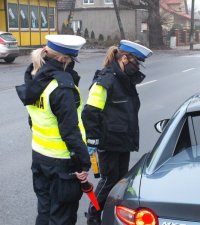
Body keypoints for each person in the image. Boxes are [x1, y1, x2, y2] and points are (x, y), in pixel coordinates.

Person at [15, 34, 91, 225]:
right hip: (62, 164)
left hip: (40, 157)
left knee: (45, 212)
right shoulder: (61, 87)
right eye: (71, 60)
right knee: (62, 218)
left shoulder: (34, 78)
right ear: (61, 59)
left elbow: (33, 120)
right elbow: (70, 131)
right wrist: (82, 165)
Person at [82, 40, 152, 225]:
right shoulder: (107, 80)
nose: (137, 67)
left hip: (122, 140)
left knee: (121, 180)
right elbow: (90, 111)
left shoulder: (124, 79)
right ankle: (93, 214)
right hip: (108, 140)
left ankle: (111, 212)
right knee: (108, 180)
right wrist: (93, 139)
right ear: (124, 58)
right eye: (136, 62)